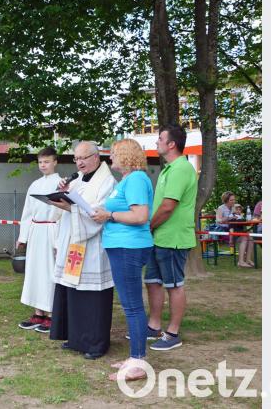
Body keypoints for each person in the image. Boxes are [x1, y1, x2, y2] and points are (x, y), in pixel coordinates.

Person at [91, 139, 153, 381]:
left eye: (114, 154)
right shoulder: (128, 180)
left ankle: (138, 362)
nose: (110, 158)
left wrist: (109, 215)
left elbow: (140, 216)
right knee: (130, 304)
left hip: (129, 247)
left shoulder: (136, 179)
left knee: (132, 305)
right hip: (122, 246)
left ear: (126, 155)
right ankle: (135, 356)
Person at [47, 141, 116, 360]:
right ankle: (76, 339)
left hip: (93, 245)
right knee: (72, 291)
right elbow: (73, 205)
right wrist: (62, 194)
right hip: (74, 243)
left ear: (96, 157)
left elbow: (97, 213)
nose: (79, 162)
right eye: (76, 159)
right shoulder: (77, 179)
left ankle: (95, 343)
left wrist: (69, 206)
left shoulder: (107, 182)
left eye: (84, 158)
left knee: (92, 295)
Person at [144, 124, 198, 351]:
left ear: (171, 144)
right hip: (160, 237)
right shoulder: (169, 168)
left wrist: (148, 226)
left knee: (174, 285)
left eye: (160, 138)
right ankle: (153, 326)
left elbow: (168, 207)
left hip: (173, 238)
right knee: (153, 282)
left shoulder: (180, 169)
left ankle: (173, 332)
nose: (156, 142)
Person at [16, 147, 63, 334]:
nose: (43, 165)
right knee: (35, 272)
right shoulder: (34, 185)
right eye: (40, 162)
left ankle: (52, 314)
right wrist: (23, 236)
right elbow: (27, 213)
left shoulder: (61, 183)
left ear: (55, 162)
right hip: (36, 232)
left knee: (49, 272)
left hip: (52, 230)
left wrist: (59, 241)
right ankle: (38, 313)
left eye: (47, 162)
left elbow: (63, 214)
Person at [215, 192, 255, 268]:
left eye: (234, 200)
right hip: (224, 230)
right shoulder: (221, 208)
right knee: (244, 238)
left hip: (236, 228)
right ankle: (241, 262)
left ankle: (248, 260)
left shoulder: (236, 207)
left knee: (250, 237)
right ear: (226, 200)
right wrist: (229, 218)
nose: (233, 201)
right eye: (231, 200)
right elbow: (218, 220)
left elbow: (240, 218)